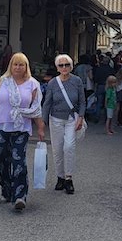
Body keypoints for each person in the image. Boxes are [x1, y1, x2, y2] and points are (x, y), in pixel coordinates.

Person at [0, 51, 44, 212]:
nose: (18, 67)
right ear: (11, 66)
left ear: (26, 67)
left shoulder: (33, 84)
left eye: (21, 64)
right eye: (15, 64)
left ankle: (20, 196)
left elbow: (36, 108)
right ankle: (6, 191)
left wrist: (41, 128)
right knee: (3, 160)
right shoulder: (3, 81)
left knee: (18, 160)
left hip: (21, 128)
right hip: (1, 126)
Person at [41, 53, 86, 195]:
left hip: (72, 118)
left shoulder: (77, 81)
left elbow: (82, 101)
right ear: (57, 67)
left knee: (69, 147)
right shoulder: (53, 83)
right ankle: (60, 177)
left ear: (71, 66)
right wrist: (43, 122)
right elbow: (47, 103)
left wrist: (81, 117)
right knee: (57, 149)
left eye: (67, 64)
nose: (64, 67)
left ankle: (69, 178)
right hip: (56, 119)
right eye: (61, 65)